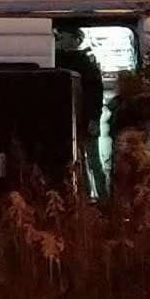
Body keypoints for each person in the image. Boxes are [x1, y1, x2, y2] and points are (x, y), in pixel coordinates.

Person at [55, 28, 108, 200]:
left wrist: (93, 118)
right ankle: (96, 198)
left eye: (63, 36)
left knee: (87, 160)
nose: (59, 40)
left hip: (78, 118)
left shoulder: (70, 61)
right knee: (88, 160)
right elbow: (96, 93)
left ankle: (94, 198)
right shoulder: (85, 62)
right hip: (80, 118)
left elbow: (95, 93)